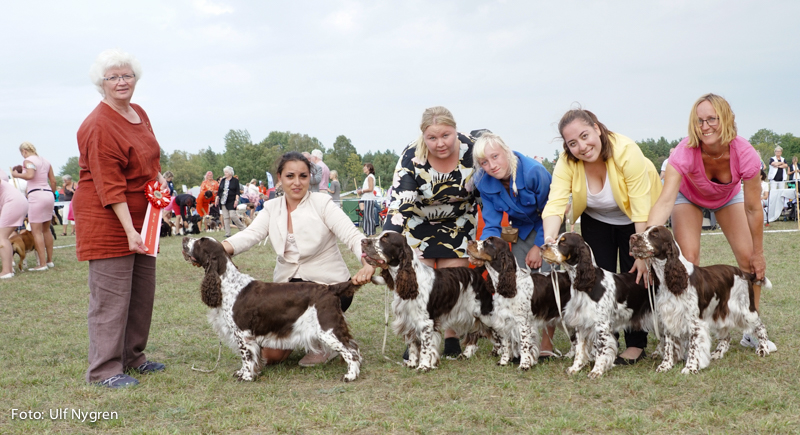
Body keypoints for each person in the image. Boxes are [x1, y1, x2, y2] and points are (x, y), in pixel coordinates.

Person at [647, 93, 776, 352]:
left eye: (711, 119)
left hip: (728, 198)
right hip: (688, 196)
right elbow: (664, 202)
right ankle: (687, 333)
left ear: (726, 119)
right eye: (699, 121)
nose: (704, 127)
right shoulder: (684, 151)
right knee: (688, 260)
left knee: (748, 258)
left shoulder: (745, 153)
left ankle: (751, 329)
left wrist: (759, 254)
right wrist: (645, 246)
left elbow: (753, 208)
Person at [221, 151, 375, 366]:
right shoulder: (271, 208)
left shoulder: (323, 203)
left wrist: (367, 262)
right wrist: (218, 249)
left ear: (309, 178)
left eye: (303, 176)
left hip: (328, 288)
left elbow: (352, 236)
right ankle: (308, 334)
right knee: (270, 357)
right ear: (279, 178)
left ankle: (324, 340)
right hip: (288, 293)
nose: (297, 183)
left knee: (309, 331)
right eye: (290, 176)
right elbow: (250, 235)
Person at [74, 48, 168, 388]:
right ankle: (104, 370)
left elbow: (150, 158)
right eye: (113, 77)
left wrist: (159, 181)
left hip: (144, 218)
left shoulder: (139, 113)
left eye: (126, 75)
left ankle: (132, 357)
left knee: (142, 292)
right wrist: (129, 230)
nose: (121, 81)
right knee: (111, 299)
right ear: (102, 83)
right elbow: (109, 185)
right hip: (108, 220)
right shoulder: (98, 125)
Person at [541, 108, 662, 365]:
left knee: (635, 277)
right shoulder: (567, 161)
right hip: (597, 219)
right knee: (597, 279)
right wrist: (550, 238)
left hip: (636, 219)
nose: (582, 147)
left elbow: (641, 206)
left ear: (597, 127)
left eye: (585, 136)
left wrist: (641, 253)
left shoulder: (627, 151)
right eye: (573, 143)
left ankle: (636, 344)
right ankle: (606, 341)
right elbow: (555, 203)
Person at [384, 106, 477, 358]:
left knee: (450, 283)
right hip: (418, 222)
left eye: (446, 135)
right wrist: (384, 245)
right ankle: (415, 338)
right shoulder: (410, 157)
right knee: (415, 285)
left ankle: (450, 336)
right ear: (423, 136)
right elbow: (400, 205)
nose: (440, 144)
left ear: (456, 130)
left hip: (460, 222)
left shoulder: (472, 151)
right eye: (432, 138)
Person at [470, 132, 559, 359]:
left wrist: (540, 246)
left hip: (545, 227)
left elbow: (551, 211)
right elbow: (491, 224)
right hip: (517, 230)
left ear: (506, 151)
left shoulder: (534, 172)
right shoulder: (482, 180)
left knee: (546, 282)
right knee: (519, 286)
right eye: (484, 162)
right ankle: (522, 343)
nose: (491, 165)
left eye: (495, 157)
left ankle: (547, 343)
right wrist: (483, 251)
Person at [12, 141, 57, 271]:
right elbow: (53, 181)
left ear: (24, 151)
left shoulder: (27, 161)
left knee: (36, 231)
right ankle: (49, 261)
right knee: (46, 230)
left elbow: (30, 175)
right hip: (48, 194)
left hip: (36, 195)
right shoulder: (46, 161)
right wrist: (52, 194)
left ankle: (41, 264)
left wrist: (17, 175)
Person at [0, 168, 29, 279]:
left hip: (13, 202)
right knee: (4, 237)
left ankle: (6, 271)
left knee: (2, 237)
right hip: (17, 202)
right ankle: (9, 269)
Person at [216, 166, 246, 237]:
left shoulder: (235, 181)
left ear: (230, 173)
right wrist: (217, 198)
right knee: (225, 217)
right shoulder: (223, 180)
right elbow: (219, 190)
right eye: (224, 172)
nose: (225, 173)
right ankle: (228, 233)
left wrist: (236, 200)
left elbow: (237, 192)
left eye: (226, 172)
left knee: (233, 215)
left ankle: (243, 228)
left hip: (232, 200)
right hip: (223, 200)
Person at [357, 163, 378, 236]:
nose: (363, 169)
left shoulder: (370, 177)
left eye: (365, 167)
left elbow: (371, 188)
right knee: (366, 216)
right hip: (366, 198)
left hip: (369, 199)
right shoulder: (368, 177)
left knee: (369, 216)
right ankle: (367, 231)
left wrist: (362, 191)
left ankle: (371, 232)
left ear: (369, 168)